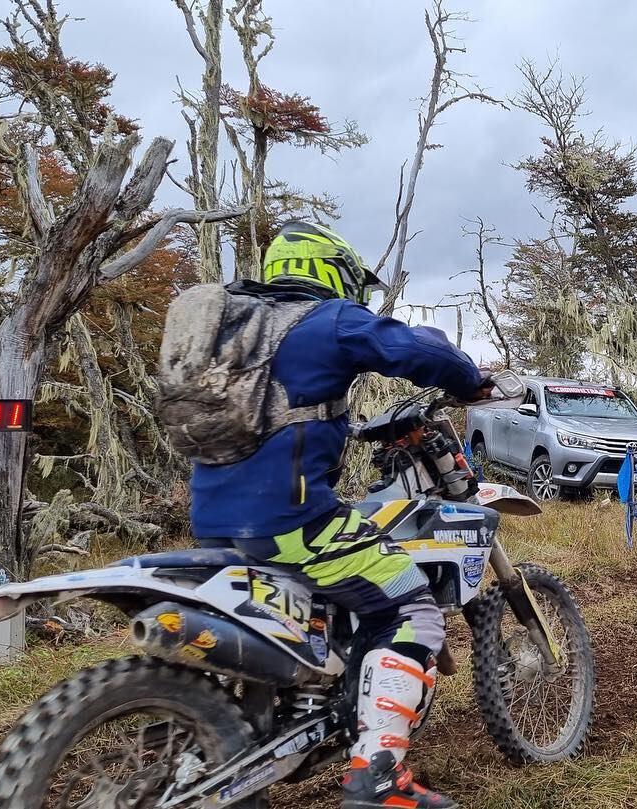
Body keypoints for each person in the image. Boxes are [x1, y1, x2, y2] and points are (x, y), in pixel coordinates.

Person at [190, 221, 486, 809]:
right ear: (329, 271)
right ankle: (377, 777)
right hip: (292, 523)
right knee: (411, 607)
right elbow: (415, 350)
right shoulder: (323, 320)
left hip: (213, 522)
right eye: (351, 280)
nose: (355, 291)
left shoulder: (231, 331)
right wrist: (470, 379)